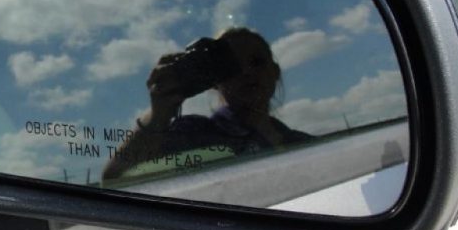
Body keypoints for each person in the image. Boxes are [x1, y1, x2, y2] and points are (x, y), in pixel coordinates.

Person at [102, 27, 310, 183]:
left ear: (275, 72)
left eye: (257, 62)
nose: (247, 72)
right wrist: (158, 115)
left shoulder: (300, 141)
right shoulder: (194, 134)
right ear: (215, 81)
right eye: (233, 66)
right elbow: (116, 179)